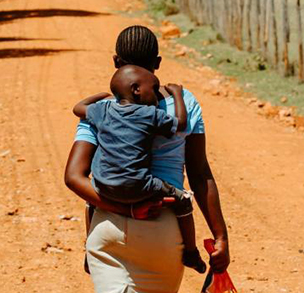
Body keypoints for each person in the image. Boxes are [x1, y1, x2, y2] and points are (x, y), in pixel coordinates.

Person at [64, 25, 229, 293]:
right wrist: (220, 236)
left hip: (106, 224)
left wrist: (124, 210)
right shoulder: (185, 103)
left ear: (116, 61)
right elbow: (199, 172)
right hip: (162, 229)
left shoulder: (101, 109)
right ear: (158, 63)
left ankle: (90, 252)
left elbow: (74, 177)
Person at [72, 65, 206, 273]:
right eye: (154, 89)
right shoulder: (148, 114)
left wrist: (100, 96)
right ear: (136, 90)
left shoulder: (103, 110)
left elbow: (78, 108)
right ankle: (191, 252)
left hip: (104, 186)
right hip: (138, 185)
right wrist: (177, 94)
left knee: (91, 202)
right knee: (182, 201)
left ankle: (90, 251)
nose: (157, 94)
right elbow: (180, 123)